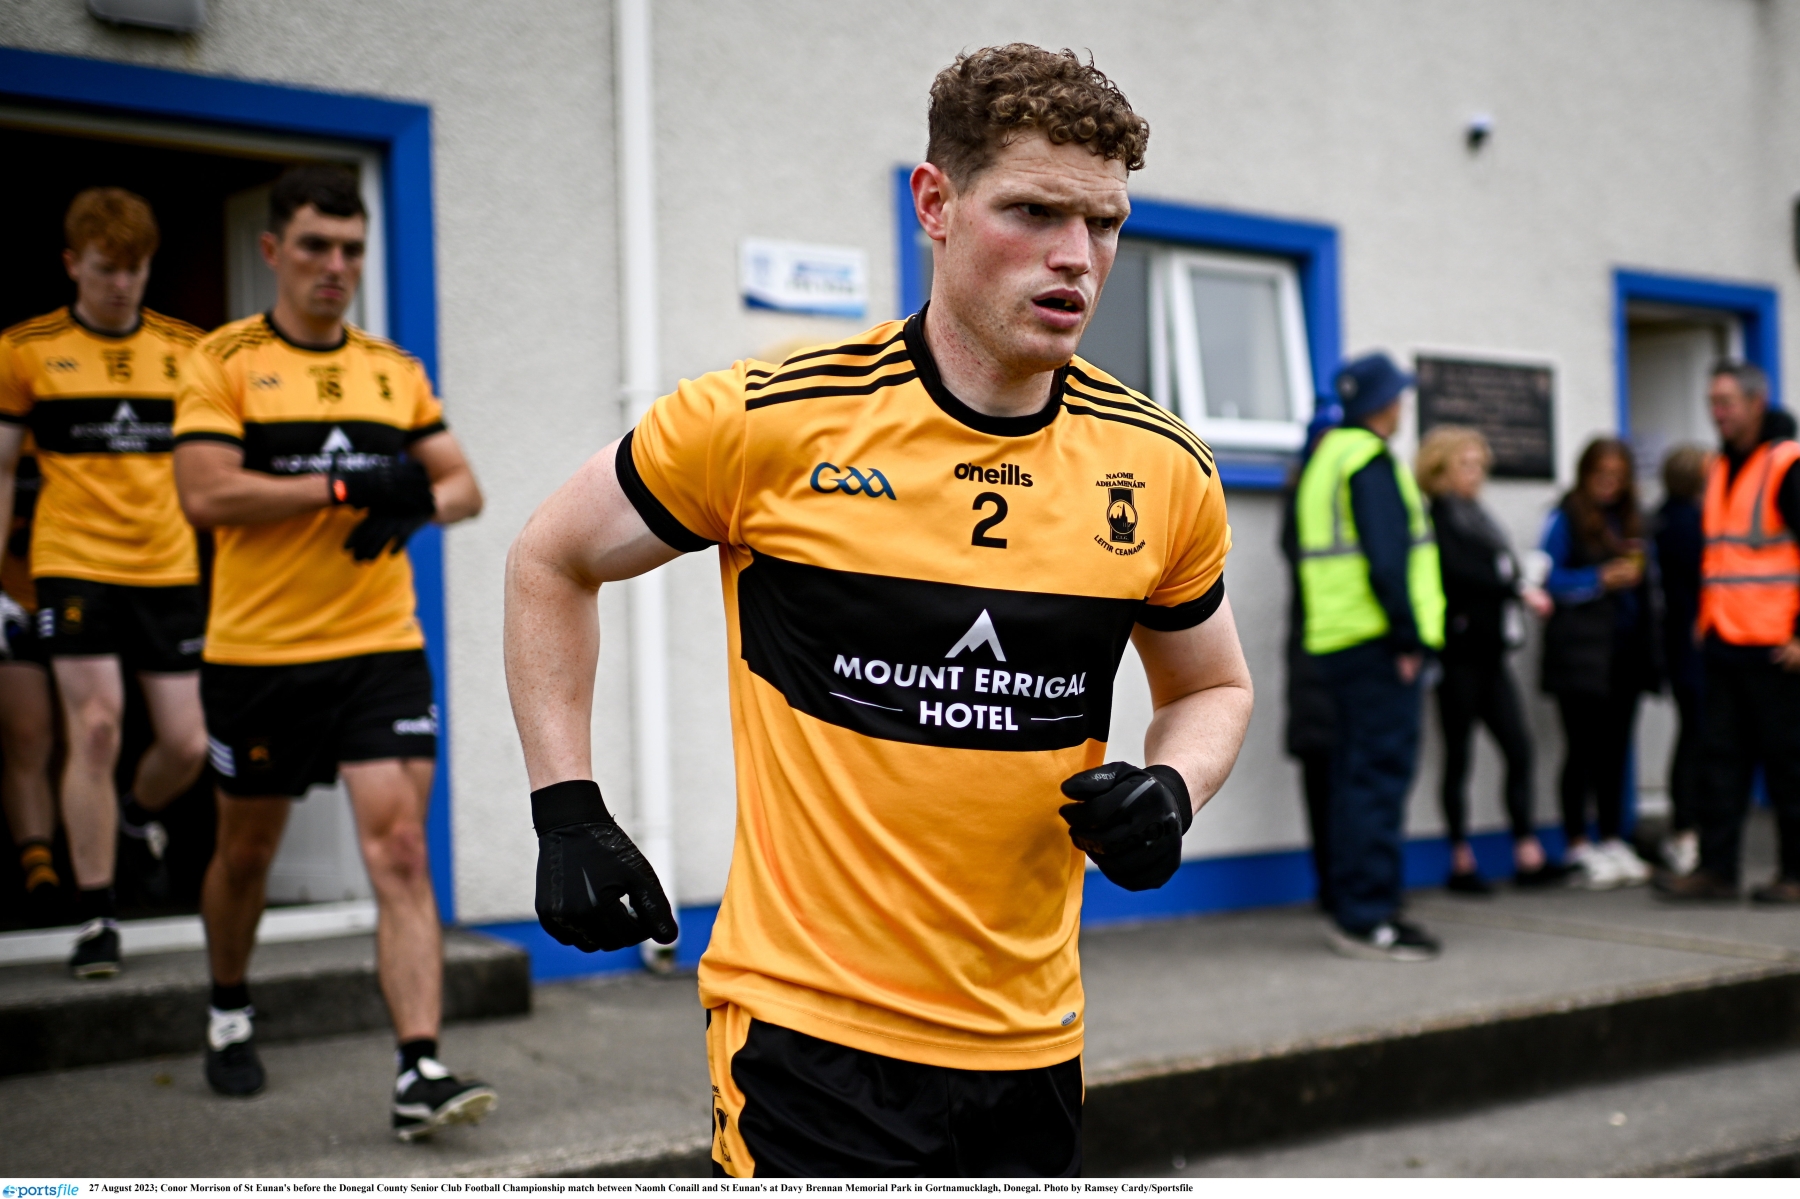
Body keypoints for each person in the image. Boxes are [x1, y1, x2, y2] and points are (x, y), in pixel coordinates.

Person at [504, 45, 1253, 1177]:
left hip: (1033, 1038)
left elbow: (1212, 685)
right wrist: (567, 808)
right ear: (935, 204)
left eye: (1104, 223)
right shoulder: (768, 422)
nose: (1075, 256)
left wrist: (1173, 788)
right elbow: (550, 557)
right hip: (807, 1036)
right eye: (1033, 211)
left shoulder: (1160, 467)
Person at [173, 165, 492, 1134]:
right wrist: (348, 488)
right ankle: (229, 1005)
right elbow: (206, 493)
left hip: (378, 648)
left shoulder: (392, 371)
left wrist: (413, 505)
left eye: (352, 249)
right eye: (316, 245)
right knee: (246, 852)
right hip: (258, 656)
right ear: (272, 249)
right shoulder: (222, 359)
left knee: (400, 848)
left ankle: (419, 1068)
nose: (336, 266)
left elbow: (463, 486)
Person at [0, 188, 209, 977]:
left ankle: (129, 813)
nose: (121, 284)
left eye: (135, 269)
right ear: (72, 264)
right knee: (95, 727)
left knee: (188, 742)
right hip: (73, 562)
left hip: (168, 565)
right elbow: (1, 468)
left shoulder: (190, 350)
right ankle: (97, 915)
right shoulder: (25, 348)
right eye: (105, 269)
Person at [1656, 361, 1800, 904]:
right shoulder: (1719, 467)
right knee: (1720, 761)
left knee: (1786, 763)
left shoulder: (1789, 468)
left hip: (1777, 647)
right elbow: (1723, 559)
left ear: (1756, 403)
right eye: (1712, 403)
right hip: (1724, 642)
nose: (1717, 413)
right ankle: (1716, 870)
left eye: (1727, 403)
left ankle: (1799, 873)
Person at [1296, 352, 1445, 960]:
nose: (1403, 405)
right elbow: (1389, 561)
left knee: (1352, 777)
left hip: (1336, 638)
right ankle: (1369, 915)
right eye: (1399, 396)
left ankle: (1350, 902)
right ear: (1386, 404)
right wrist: (1407, 639)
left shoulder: (1326, 459)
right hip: (1377, 642)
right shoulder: (1369, 460)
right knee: (1377, 780)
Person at [1416, 425, 1560, 893]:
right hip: (1458, 657)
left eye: (1479, 465)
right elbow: (1459, 575)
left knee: (1518, 748)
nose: (1475, 474)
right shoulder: (1437, 519)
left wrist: (1518, 583)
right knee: (1458, 758)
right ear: (1440, 470)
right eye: (1465, 465)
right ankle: (1460, 859)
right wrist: (1515, 589)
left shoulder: (1479, 516)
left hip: (1492, 655)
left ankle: (1526, 851)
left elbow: (1500, 568)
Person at [1539, 438, 1660, 890]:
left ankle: (1612, 838)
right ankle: (1576, 844)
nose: (1610, 485)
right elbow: (1547, 578)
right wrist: (1598, 578)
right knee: (1582, 750)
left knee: (1616, 750)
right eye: (1601, 476)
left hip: (1624, 651)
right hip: (1580, 653)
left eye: (1618, 477)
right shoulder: (1565, 517)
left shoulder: (1632, 519)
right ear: (1585, 474)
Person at [1280, 399, 1342, 911]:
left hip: (1342, 657)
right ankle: (1332, 884)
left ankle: (1349, 881)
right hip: (1314, 661)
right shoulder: (1304, 498)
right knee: (1322, 769)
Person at [0, 452, 58, 926]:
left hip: (90, 593)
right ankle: (39, 869)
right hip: (13, 600)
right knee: (27, 734)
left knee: (92, 735)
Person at [1651, 444, 1709, 874]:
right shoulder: (1686, 523)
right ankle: (1685, 830)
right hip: (1691, 645)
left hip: (1682, 644)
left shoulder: (1664, 517)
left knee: (1695, 736)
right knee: (1695, 738)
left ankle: (1690, 827)